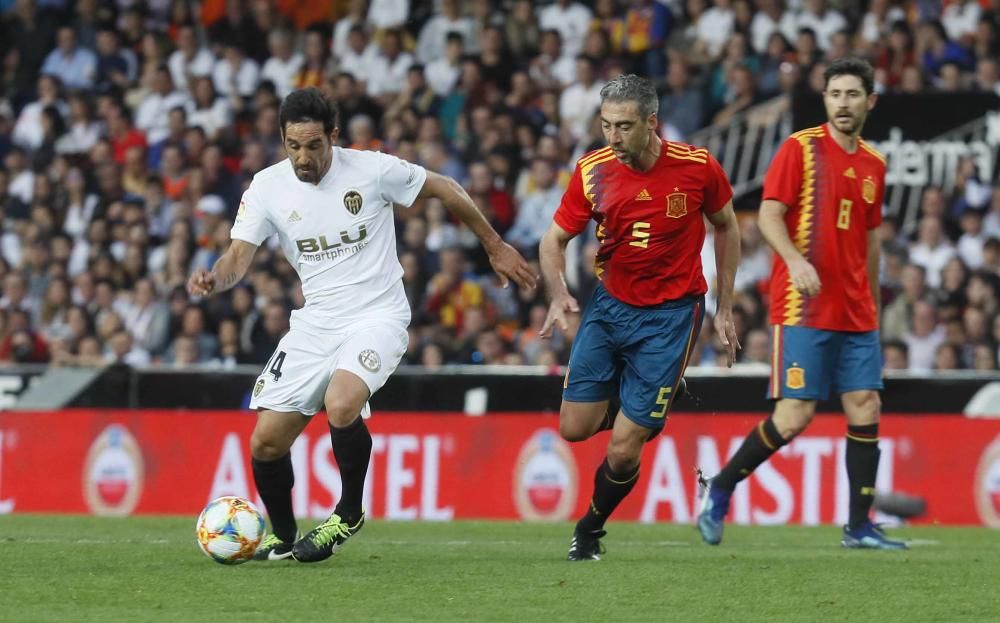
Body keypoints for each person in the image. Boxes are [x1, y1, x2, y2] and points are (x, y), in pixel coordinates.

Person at [187, 88, 535, 563]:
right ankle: (284, 536)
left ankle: (348, 513)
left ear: (333, 136)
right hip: (316, 324)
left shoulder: (372, 169)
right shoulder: (267, 187)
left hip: (379, 316)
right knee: (265, 443)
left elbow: (445, 186)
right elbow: (237, 258)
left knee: (341, 401)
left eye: (313, 146)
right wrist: (215, 279)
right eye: (293, 146)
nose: (303, 158)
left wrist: (495, 245)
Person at [696, 58, 906, 550]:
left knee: (865, 403)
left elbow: (871, 242)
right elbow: (769, 215)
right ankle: (721, 487)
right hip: (803, 306)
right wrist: (794, 260)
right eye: (835, 94)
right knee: (794, 416)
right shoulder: (801, 149)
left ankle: (858, 526)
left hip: (856, 310)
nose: (843, 103)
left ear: (870, 101)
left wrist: (872, 304)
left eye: (853, 94)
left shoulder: (875, 164)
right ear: (825, 99)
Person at [538, 74, 742, 561]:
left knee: (626, 448)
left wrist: (727, 307)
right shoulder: (593, 171)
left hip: (672, 316)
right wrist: (557, 291)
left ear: (652, 123)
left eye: (624, 127)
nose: (612, 138)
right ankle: (642, 410)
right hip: (610, 308)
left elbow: (727, 226)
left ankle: (590, 528)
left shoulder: (696, 168)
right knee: (573, 429)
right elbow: (552, 241)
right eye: (606, 126)